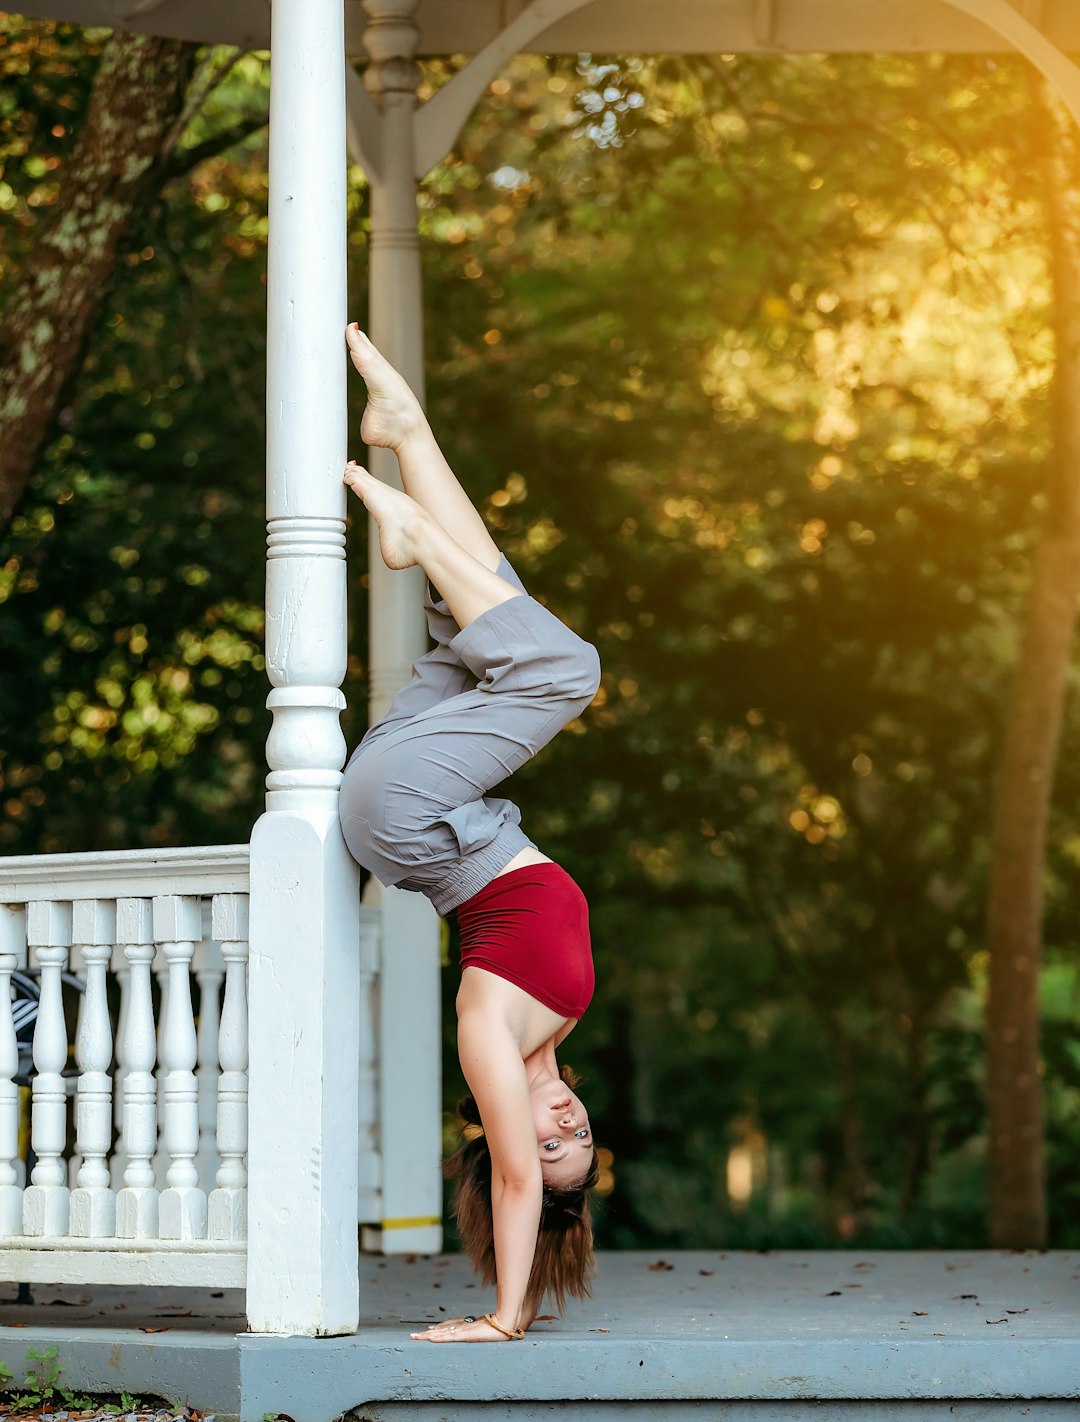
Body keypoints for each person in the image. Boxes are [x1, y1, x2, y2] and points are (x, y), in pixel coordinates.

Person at [338, 324, 601, 1343]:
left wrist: (505, 1315)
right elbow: (533, 1165)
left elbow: (512, 1180)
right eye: (582, 1140)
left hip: (406, 814)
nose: (563, 1130)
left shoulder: (491, 1045)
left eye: (551, 1147)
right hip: (437, 800)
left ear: (498, 1140)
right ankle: (406, 432)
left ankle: (415, 531)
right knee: (494, 616)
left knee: (563, 671)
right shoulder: (557, 1030)